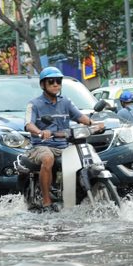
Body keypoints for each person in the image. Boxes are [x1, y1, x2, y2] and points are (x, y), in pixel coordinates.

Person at [24, 66, 103, 211]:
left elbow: (80, 117)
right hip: (42, 146)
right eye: (51, 81)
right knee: (48, 158)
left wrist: (94, 124)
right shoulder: (34, 104)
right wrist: (40, 132)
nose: (55, 85)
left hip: (64, 145)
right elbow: (29, 125)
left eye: (58, 82)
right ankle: (47, 201)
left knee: (87, 157)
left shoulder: (65, 102)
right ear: (43, 85)